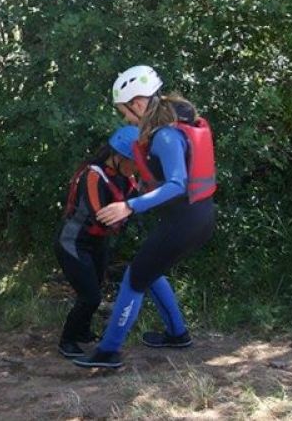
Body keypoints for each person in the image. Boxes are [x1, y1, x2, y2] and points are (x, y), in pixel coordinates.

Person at [74, 65, 217, 369]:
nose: (125, 118)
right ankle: (177, 335)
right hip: (196, 217)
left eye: (125, 111)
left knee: (134, 278)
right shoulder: (171, 129)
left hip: (185, 221)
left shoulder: (165, 136)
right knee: (150, 270)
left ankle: (108, 352)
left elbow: (177, 183)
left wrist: (130, 206)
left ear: (138, 103)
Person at [55, 126, 139, 358]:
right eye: (134, 161)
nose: (136, 167)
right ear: (119, 157)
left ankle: (82, 332)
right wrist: (131, 210)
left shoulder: (126, 177)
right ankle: (67, 340)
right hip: (74, 241)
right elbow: (100, 214)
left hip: (98, 242)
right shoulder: (93, 175)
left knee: (96, 287)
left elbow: (132, 206)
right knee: (90, 296)